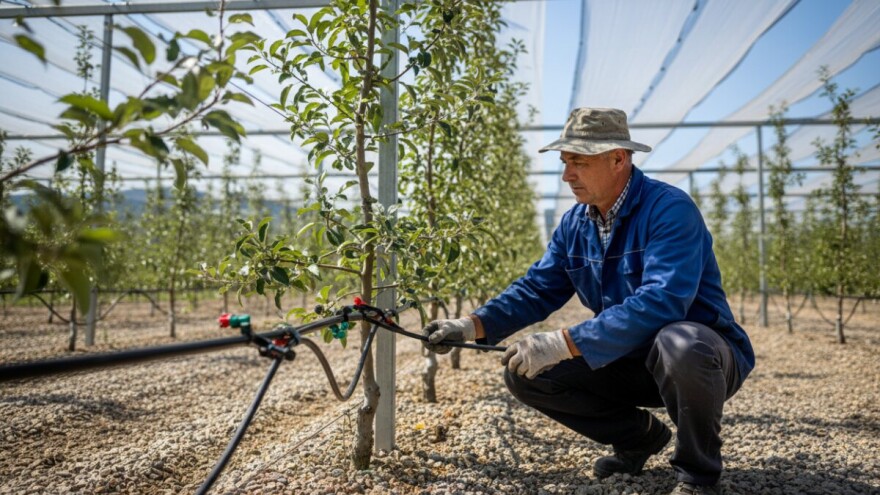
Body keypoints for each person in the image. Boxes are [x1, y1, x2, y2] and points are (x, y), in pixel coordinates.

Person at [422, 108, 754, 495]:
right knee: (524, 371)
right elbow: (537, 288)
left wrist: (563, 342)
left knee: (679, 342)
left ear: (618, 159)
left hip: (699, 360)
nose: (567, 175)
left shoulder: (669, 210)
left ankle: (698, 474)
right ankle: (640, 437)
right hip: (627, 358)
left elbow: (663, 300)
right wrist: (470, 325)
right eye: (565, 162)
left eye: (578, 162)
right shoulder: (575, 224)